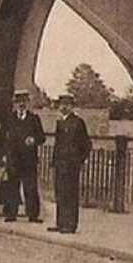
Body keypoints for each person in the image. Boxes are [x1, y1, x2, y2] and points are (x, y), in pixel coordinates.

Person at [0, 88, 46, 223]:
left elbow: (42, 137)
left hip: (29, 159)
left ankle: (33, 215)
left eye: (24, 101)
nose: (21, 104)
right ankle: (11, 213)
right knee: (12, 186)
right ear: (15, 104)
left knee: (30, 187)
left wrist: (34, 140)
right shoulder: (9, 119)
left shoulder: (34, 119)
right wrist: (4, 154)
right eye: (18, 102)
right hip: (13, 159)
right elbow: (0, 137)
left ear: (28, 103)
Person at [48, 93, 92, 234]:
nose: (64, 107)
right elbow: (58, 144)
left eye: (67, 104)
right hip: (60, 164)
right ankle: (60, 223)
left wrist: (78, 160)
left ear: (72, 106)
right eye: (62, 104)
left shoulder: (78, 122)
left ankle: (71, 225)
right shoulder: (60, 122)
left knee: (71, 194)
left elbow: (86, 144)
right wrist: (54, 162)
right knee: (60, 193)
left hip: (72, 165)